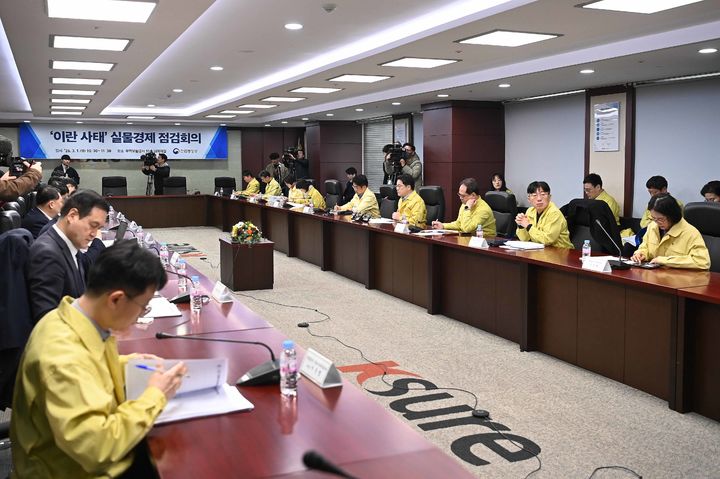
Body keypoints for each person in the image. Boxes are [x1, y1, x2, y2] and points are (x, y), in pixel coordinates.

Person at [11, 241, 187, 478]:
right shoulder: (63, 358)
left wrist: (127, 363)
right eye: (143, 307)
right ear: (116, 299)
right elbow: (97, 448)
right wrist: (155, 395)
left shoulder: (70, 317)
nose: (140, 316)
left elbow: (89, 366)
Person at [27, 190, 109, 322]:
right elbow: (47, 320)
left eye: (98, 228)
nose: (94, 234)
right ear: (72, 215)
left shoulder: (69, 244)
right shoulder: (48, 254)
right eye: (93, 225)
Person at [631, 193, 710, 270]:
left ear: (672, 215)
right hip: (654, 274)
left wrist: (666, 261)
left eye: (661, 219)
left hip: (678, 277)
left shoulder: (690, 233)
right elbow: (645, 246)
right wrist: (641, 254)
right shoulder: (652, 226)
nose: (657, 222)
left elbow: (702, 262)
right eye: (653, 218)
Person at [515, 181, 573, 248]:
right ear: (529, 199)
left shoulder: (554, 213)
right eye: (534, 195)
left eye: (543, 194)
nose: (539, 199)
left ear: (549, 197)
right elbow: (525, 239)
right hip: (540, 249)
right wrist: (521, 225)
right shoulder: (530, 211)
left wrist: (528, 226)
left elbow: (548, 240)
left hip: (561, 250)